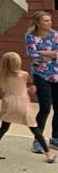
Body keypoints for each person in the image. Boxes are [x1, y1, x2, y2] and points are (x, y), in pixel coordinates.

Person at [0, 51, 55, 163]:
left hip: (8, 103)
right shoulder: (24, 74)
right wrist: (30, 90)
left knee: (4, 127)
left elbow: (10, 89)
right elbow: (23, 88)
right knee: (35, 128)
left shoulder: (1, 76)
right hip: (22, 104)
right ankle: (48, 153)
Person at [24, 10, 58, 152]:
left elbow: (40, 55)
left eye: (50, 20)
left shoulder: (55, 35)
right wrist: (53, 54)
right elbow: (34, 57)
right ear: (38, 23)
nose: (50, 23)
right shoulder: (31, 37)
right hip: (41, 76)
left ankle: (55, 139)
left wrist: (45, 53)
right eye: (46, 20)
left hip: (57, 75)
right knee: (45, 107)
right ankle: (38, 140)